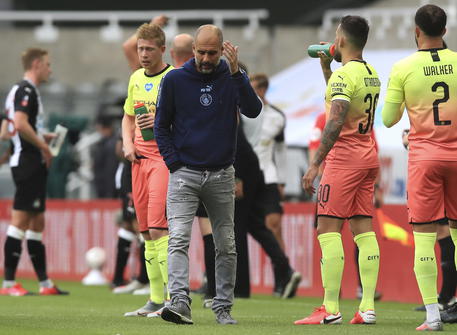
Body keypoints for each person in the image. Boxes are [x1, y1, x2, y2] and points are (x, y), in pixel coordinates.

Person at [154, 24, 262, 325]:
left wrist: (238, 73)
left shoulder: (231, 77)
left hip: (221, 174)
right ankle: (179, 301)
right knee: (177, 238)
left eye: (212, 53)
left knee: (226, 243)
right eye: (200, 52)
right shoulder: (175, 79)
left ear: (223, 50)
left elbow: (253, 110)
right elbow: (161, 126)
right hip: (184, 173)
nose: (205, 58)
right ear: (193, 50)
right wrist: (174, 163)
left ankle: (223, 306)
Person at [298, 16, 381, 325]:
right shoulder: (370, 72)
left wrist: (315, 163)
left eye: (335, 35)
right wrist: (326, 73)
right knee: (363, 229)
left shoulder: (345, 76)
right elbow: (344, 103)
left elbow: (335, 120)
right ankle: (367, 307)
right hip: (367, 155)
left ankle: (330, 308)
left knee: (327, 230)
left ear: (341, 41)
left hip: (344, 160)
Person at [382, 5, 457, 330]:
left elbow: (388, 118)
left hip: (425, 157)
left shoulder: (403, 67)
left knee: (425, 238)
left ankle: (432, 315)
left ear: (416, 31)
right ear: (445, 30)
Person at [0, 48, 68, 296]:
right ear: (37, 64)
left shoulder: (20, 91)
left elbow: (7, 131)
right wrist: (43, 146)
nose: (50, 69)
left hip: (30, 160)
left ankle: (44, 283)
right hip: (28, 162)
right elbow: (18, 123)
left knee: (37, 221)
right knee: (20, 220)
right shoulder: (26, 90)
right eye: (48, 64)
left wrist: (42, 136)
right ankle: (8, 284)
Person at [121, 23, 173, 317]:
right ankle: (155, 298)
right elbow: (127, 117)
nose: (143, 54)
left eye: (149, 49)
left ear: (162, 50)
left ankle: (171, 297)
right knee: (145, 233)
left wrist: (160, 120)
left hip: (162, 162)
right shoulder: (136, 78)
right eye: (140, 48)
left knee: (158, 227)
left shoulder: (174, 78)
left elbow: (185, 121)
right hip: (138, 161)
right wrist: (127, 143)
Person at [249, 73, 287, 251]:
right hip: (244, 177)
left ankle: (284, 273)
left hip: (268, 176)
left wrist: (282, 181)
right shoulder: (240, 113)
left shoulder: (277, 117)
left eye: (253, 88)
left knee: (274, 225)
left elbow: (280, 150)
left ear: (263, 90)